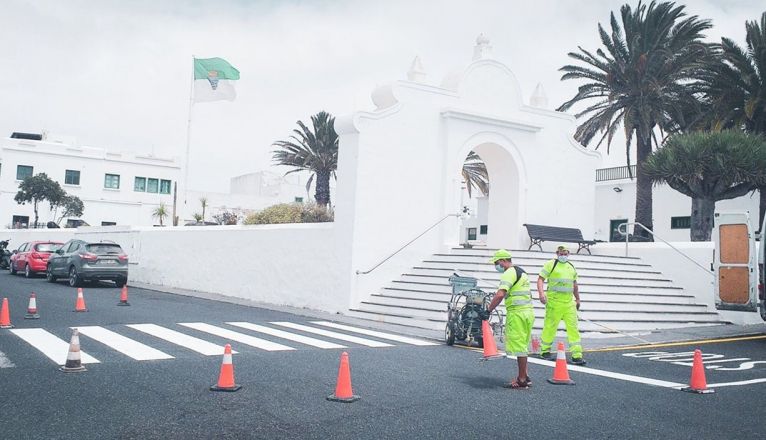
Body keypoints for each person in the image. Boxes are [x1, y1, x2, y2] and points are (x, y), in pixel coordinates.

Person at [483, 249, 535, 389]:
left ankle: (522, 380)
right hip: (528, 312)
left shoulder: (509, 273)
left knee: (519, 347)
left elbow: (500, 294)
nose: (496, 266)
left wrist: (488, 310)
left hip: (517, 314)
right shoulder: (521, 271)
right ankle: (525, 375)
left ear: (502, 261)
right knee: (522, 345)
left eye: (496, 263)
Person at [537, 245, 585, 365]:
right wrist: (541, 294)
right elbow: (540, 279)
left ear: (568, 253)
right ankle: (544, 351)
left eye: (565, 253)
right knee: (550, 327)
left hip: (569, 303)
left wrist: (577, 299)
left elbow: (574, 284)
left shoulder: (571, 267)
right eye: (560, 253)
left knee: (573, 328)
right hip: (554, 302)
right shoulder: (551, 264)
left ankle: (577, 355)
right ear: (557, 253)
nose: (562, 255)